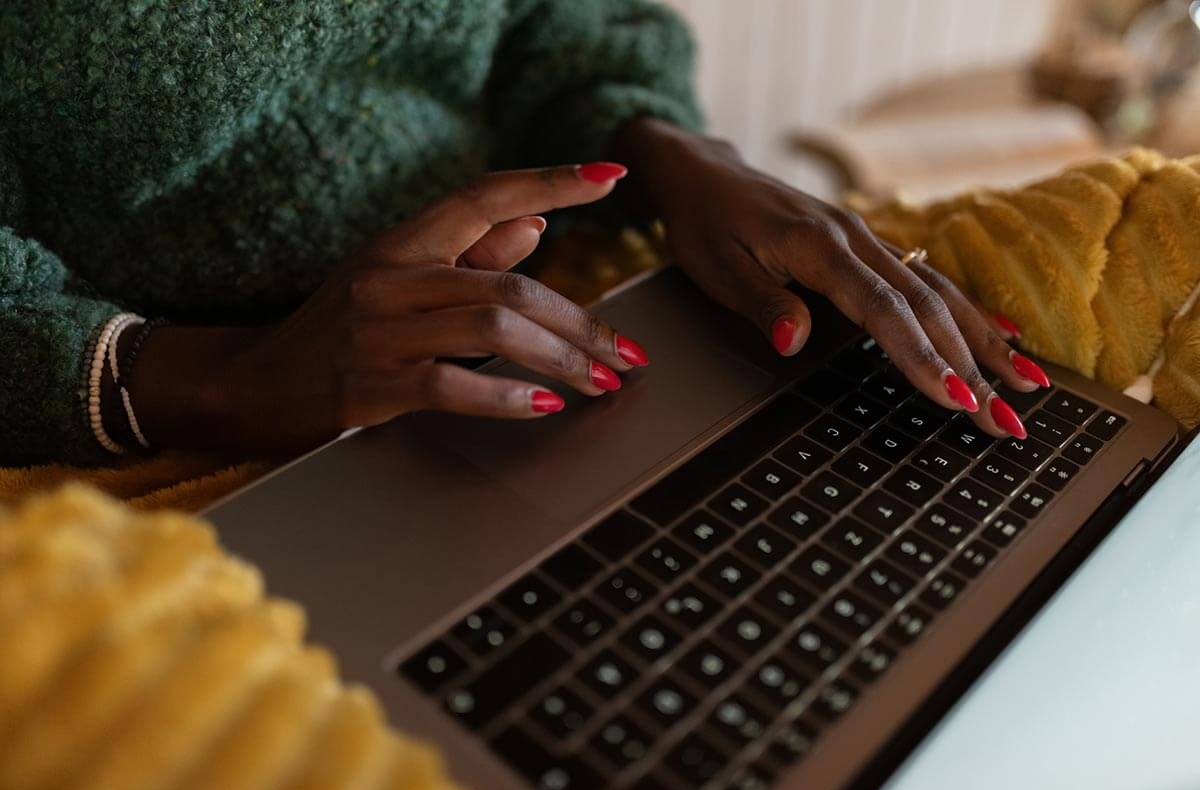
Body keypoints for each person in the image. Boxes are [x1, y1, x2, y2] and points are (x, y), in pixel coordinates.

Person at [0, 0, 1046, 466]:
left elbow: (550, 17)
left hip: (548, 303)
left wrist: (672, 146)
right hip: (178, 408)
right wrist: (224, 377)